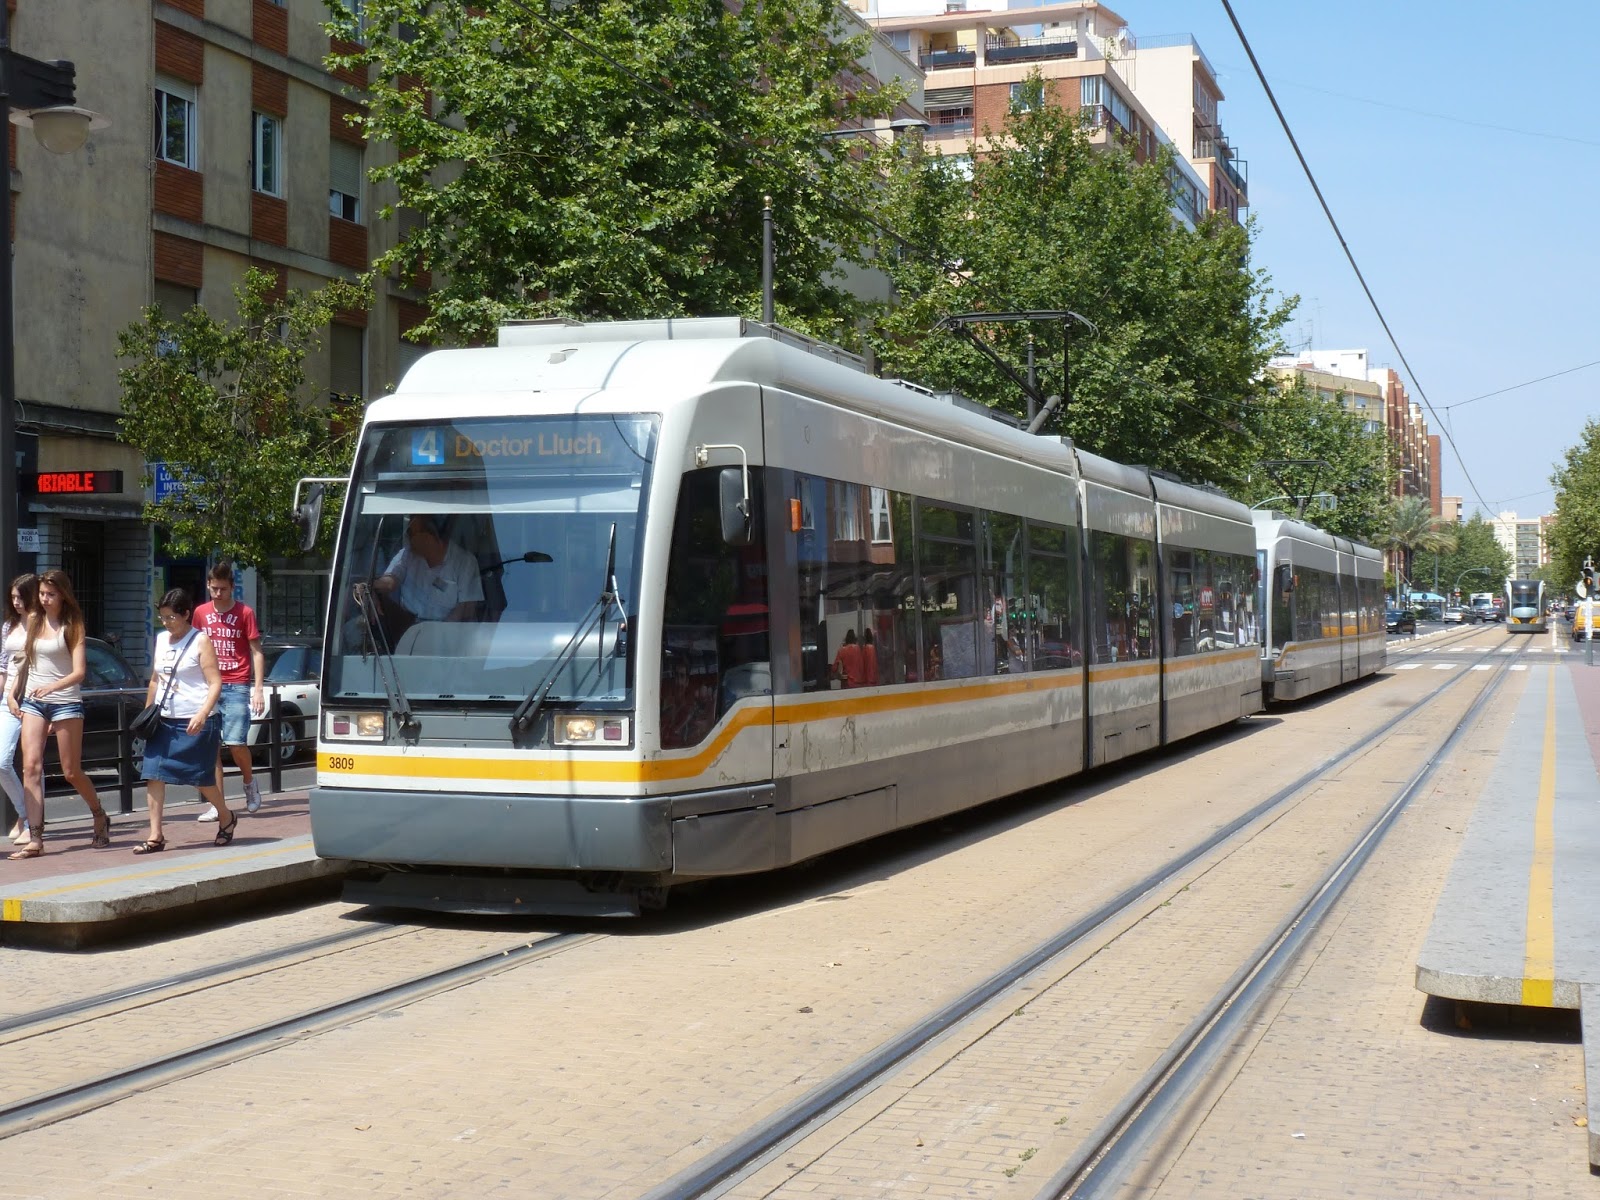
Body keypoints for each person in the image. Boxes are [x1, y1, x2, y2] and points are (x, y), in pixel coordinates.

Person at [6, 569, 111, 859]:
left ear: (63, 595)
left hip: (65, 701)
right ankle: (35, 837)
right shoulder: (34, 620)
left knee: (70, 771)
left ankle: (99, 815)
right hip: (33, 701)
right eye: (41, 594)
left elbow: (79, 672)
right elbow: (26, 660)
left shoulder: (72, 624)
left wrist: (53, 687)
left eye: (50, 594)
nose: (45, 599)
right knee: (30, 767)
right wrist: (13, 693)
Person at [134, 589, 234, 852]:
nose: (166, 623)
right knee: (153, 774)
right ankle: (155, 835)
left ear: (186, 614)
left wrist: (202, 714)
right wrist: (147, 713)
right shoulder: (161, 640)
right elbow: (156, 680)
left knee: (201, 778)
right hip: (164, 719)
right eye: (163, 617)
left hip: (196, 720)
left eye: (171, 618)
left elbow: (215, 683)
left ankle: (225, 815)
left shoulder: (201, 641)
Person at [191, 561, 265, 820]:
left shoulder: (245, 613)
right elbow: (195, 650)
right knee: (210, 747)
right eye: (213, 589)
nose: (218, 593)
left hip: (236, 684)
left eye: (222, 589)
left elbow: (256, 651)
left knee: (235, 743)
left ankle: (249, 783)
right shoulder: (200, 613)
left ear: (232, 587)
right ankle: (217, 803)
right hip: (208, 685)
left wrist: (257, 689)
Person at [359, 515, 483, 643]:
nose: (408, 537)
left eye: (411, 533)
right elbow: (390, 582)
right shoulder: (406, 555)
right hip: (408, 632)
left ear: (431, 535)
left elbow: (465, 611)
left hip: (449, 637)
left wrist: (434, 640)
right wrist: (368, 586)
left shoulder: (465, 562)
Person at [1, 575, 37, 846]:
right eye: (12, 598)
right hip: (8, 698)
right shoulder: (8, 626)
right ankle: (24, 813)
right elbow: (3, 667)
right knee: (2, 761)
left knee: (32, 764)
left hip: (34, 697)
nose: (16, 603)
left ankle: (33, 823)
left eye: (20, 597)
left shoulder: (42, 625)